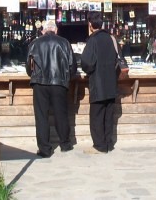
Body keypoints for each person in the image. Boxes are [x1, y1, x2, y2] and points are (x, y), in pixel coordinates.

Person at [26, 20, 77, 158]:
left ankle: (45, 149)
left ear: (43, 30)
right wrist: (67, 78)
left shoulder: (35, 43)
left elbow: (28, 67)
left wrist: (34, 76)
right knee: (61, 114)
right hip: (59, 82)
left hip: (39, 83)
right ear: (56, 30)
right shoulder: (64, 43)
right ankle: (65, 144)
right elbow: (72, 66)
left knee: (41, 116)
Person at [80, 11, 118, 154]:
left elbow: (86, 62)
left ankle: (99, 146)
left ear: (90, 25)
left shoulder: (93, 40)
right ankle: (108, 143)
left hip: (98, 83)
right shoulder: (110, 38)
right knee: (108, 116)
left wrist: (88, 71)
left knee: (96, 116)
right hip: (111, 83)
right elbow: (116, 58)